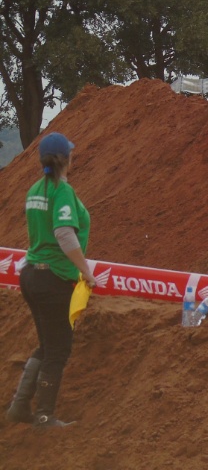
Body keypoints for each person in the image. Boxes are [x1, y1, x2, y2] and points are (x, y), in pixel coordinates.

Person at [7, 132, 96, 428]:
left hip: (31, 274)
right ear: (65, 159)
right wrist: (85, 270)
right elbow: (63, 233)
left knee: (47, 344)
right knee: (58, 349)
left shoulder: (35, 190)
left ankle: (20, 407)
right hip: (54, 278)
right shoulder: (61, 191)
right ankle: (44, 415)